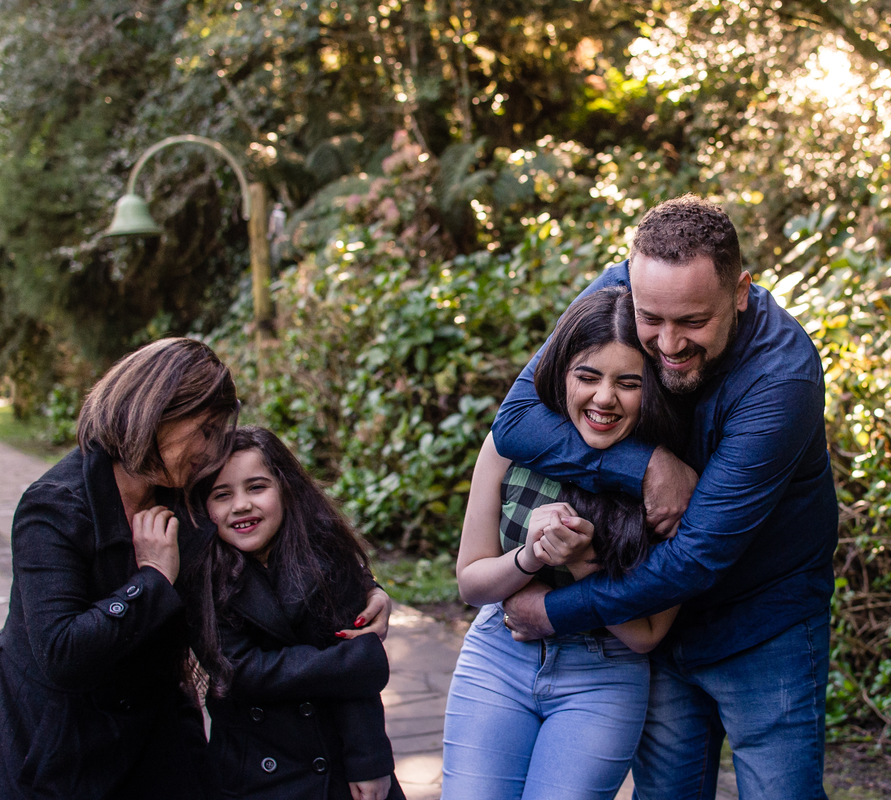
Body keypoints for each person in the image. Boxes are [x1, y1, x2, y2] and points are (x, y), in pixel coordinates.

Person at [492, 195, 839, 800]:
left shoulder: (781, 377)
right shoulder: (620, 291)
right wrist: (645, 464)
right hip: (654, 621)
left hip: (765, 623)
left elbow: (697, 556)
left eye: (693, 322)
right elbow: (517, 419)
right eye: (651, 319)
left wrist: (553, 612)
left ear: (740, 292)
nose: (669, 344)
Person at [0, 337, 392, 800]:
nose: (212, 448)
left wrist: (363, 587)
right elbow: (61, 654)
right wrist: (152, 579)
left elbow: (280, 553)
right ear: (157, 414)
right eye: (205, 430)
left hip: (160, 733)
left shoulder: (183, 491)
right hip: (62, 749)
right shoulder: (55, 507)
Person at [441, 287, 684, 800]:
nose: (604, 398)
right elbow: (471, 583)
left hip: (603, 676)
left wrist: (580, 562)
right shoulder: (510, 445)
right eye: (587, 377)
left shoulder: (671, 490)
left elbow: (646, 635)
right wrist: (530, 556)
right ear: (560, 375)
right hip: (499, 655)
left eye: (628, 383)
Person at [184, 426, 404, 800]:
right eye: (222, 495)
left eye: (256, 487)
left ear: (285, 488)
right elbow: (240, 671)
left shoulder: (326, 555)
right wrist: (353, 661)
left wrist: (370, 761)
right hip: (254, 770)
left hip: (336, 758)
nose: (241, 505)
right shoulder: (200, 574)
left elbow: (357, 687)